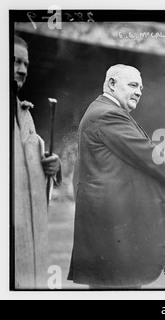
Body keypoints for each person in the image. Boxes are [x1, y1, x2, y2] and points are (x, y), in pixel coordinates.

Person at [67, 64, 165, 289]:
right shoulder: (108, 114)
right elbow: (144, 152)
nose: (139, 91)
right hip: (112, 223)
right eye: (133, 85)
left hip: (110, 222)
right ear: (111, 84)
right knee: (118, 286)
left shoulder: (103, 111)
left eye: (141, 87)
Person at [13, 35, 61, 289]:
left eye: (26, 64)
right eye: (14, 61)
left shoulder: (25, 113)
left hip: (26, 231)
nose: (21, 70)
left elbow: (31, 156)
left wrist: (51, 164)